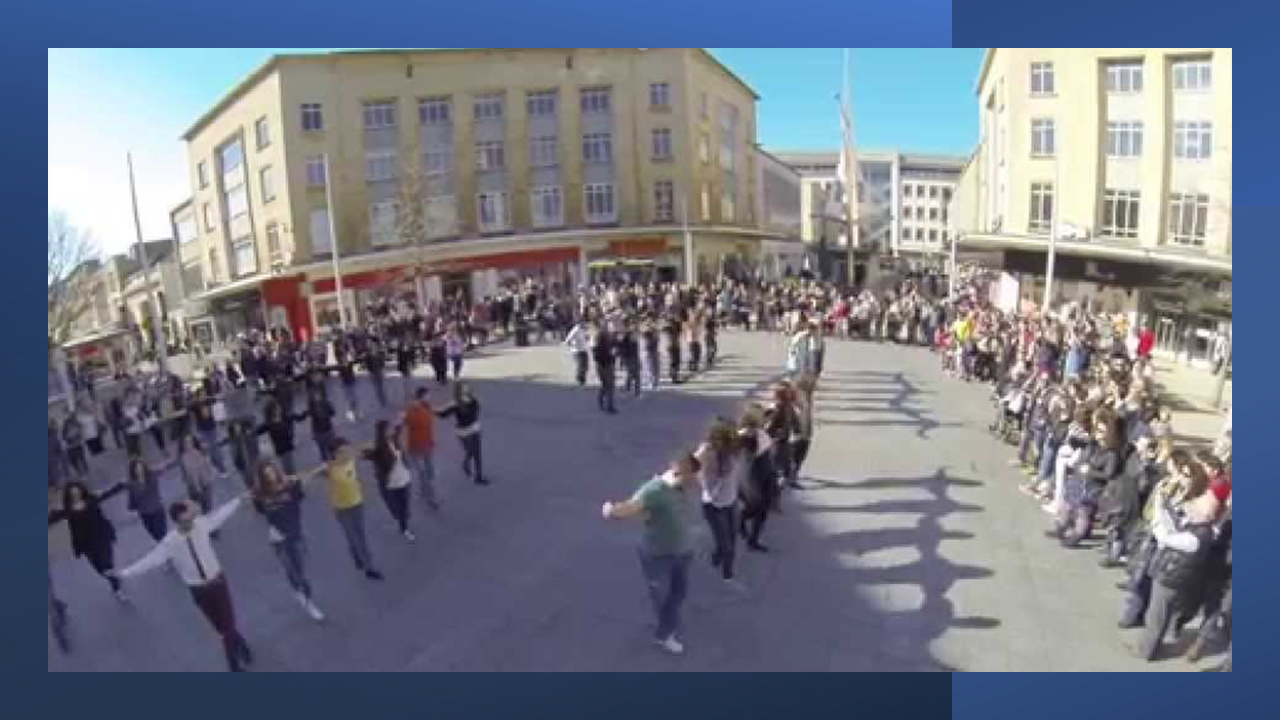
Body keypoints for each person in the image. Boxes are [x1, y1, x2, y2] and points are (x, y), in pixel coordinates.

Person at [112, 495, 255, 671]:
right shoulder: (170, 542)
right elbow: (150, 560)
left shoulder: (201, 524)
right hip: (199, 590)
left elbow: (220, 515)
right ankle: (242, 646)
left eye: (190, 518)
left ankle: (233, 664)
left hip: (217, 582)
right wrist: (125, 573)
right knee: (221, 627)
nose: (190, 523)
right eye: (185, 521)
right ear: (177, 522)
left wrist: (239, 500)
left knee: (227, 625)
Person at [601, 452, 702, 655]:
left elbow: (700, 455)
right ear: (682, 473)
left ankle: (669, 619)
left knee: (679, 593)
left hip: (682, 552)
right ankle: (664, 635)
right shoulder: (654, 490)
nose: (696, 481)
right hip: (657, 556)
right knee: (662, 596)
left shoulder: (680, 484)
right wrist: (611, 510)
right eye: (693, 477)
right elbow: (631, 506)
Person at [1132, 491, 1219, 661]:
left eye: (1195, 508)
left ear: (1206, 515)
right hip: (1174, 577)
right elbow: (1174, 528)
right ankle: (1152, 647)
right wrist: (1164, 510)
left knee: (1156, 616)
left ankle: (1145, 651)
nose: (1191, 510)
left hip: (1170, 578)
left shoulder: (1196, 537)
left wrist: (1157, 516)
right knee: (1160, 615)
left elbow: (1165, 537)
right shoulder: (1199, 529)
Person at [252, 459, 326, 622]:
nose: (270, 476)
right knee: (292, 571)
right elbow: (261, 510)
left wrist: (310, 474)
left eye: (271, 471)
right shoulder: (260, 495)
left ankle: (300, 592)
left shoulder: (290, 486)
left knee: (302, 570)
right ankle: (308, 602)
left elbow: (301, 492)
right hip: (278, 539)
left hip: (296, 533)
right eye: (266, 474)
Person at [48, 480, 129, 602]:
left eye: (77, 492)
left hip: (102, 537)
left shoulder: (91, 499)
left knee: (107, 565)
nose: (76, 495)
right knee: (100, 569)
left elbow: (107, 493)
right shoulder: (68, 509)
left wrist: (120, 485)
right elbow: (52, 518)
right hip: (86, 544)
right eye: (72, 494)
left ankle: (117, 590)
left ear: (81, 491)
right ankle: (114, 579)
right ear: (69, 496)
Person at [321, 437, 385, 580]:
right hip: (342, 509)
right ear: (335, 453)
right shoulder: (330, 468)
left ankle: (367, 564)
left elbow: (366, 449)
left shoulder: (350, 459)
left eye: (346, 450)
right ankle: (366, 563)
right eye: (342, 451)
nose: (346, 453)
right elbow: (310, 475)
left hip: (357, 503)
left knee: (360, 536)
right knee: (353, 537)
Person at [695, 421, 746, 590]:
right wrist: (721, 478)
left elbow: (736, 476)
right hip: (714, 507)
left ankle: (717, 554)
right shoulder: (709, 455)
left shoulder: (732, 452)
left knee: (731, 539)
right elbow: (709, 490)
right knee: (727, 546)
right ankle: (728, 576)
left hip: (731, 503)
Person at [362, 420, 416, 541]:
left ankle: (404, 525)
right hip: (391, 482)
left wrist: (401, 421)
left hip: (404, 477)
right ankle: (403, 524)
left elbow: (398, 429)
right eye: (388, 429)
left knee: (405, 506)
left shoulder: (394, 439)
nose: (391, 430)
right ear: (383, 432)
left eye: (391, 428)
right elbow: (368, 455)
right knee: (395, 507)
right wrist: (363, 453)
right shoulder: (379, 448)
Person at [436, 382, 488, 485]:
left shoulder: (473, 399)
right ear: (459, 390)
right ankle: (466, 464)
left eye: (467, 387)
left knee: (477, 453)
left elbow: (477, 410)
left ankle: (479, 476)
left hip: (475, 429)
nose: (466, 389)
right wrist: (432, 410)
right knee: (470, 452)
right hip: (463, 432)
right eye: (464, 388)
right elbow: (443, 414)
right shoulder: (455, 403)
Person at [403, 387, 440, 509]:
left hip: (428, 446)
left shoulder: (428, 407)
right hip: (415, 449)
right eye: (427, 395)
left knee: (429, 472)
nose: (430, 397)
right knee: (424, 473)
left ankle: (424, 490)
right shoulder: (412, 411)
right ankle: (431, 498)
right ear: (421, 397)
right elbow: (404, 421)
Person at [303, 386, 338, 462]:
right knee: (324, 452)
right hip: (320, 432)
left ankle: (335, 464)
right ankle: (329, 465)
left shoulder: (325, 403)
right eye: (314, 395)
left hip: (327, 429)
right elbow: (312, 421)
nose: (316, 396)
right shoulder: (311, 408)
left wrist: (330, 406)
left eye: (317, 394)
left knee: (332, 450)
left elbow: (333, 412)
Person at [592, 324, 618, 414]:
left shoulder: (607, 340)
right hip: (605, 365)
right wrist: (611, 355)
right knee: (608, 386)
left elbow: (615, 348)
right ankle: (608, 405)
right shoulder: (601, 342)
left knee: (607, 385)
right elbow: (597, 356)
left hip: (604, 365)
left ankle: (604, 402)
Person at [564, 319, 591, 386]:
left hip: (584, 349)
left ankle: (582, 379)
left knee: (586, 366)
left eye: (585, 322)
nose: (585, 324)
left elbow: (587, 337)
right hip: (577, 351)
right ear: (579, 323)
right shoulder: (575, 330)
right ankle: (580, 380)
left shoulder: (584, 329)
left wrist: (587, 338)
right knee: (581, 365)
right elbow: (567, 340)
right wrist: (573, 346)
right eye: (583, 322)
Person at [365, 338, 388, 408]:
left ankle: (384, 400)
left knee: (381, 387)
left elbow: (382, 362)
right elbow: (368, 365)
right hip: (373, 373)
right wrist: (369, 373)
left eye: (374, 345)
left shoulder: (380, 353)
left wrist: (383, 369)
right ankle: (381, 401)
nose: (373, 346)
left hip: (379, 371)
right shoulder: (368, 355)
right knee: (377, 388)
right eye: (372, 345)